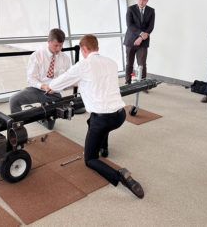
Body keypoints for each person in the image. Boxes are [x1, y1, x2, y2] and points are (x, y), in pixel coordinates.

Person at [48, 34, 144, 199]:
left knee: (90, 159)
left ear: (83, 49)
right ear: (97, 47)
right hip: (120, 116)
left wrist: (49, 87)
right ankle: (104, 148)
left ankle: (119, 175)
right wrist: (78, 81)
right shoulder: (111, 63)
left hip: (103, 119)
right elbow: (96, 81)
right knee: (92, 121)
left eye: (82, 51)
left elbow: (56, 84)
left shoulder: (83, 64)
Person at [9, 28, 71, 130]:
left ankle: (37, 114)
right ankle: (17, 130)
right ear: (49, 42)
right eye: (56, 45)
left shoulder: (65, 58)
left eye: (61, 46)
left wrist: (64, 86)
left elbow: (67, 79)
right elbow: (31, 79)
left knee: (49, 127)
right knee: (14, 100)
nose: (58, 49)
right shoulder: (37, 55)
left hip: (54, 93)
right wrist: (43, 86)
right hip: (37, 89)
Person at [124, 0, 155, 91]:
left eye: (144, 0)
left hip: (143, 42)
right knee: (129, 63)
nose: (141, 2)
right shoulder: (131, 9)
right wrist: (141, 34)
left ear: (147, 0)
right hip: (130, 41)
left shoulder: (151, 11)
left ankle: (143, 84)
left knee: (142, 64)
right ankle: (127, 82)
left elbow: (150, 27)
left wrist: (141, 38)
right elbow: (130, 25)